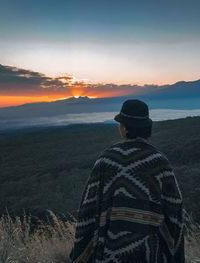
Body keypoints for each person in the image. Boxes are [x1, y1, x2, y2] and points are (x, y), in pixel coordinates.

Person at [70, 99, 184, 263]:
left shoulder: (106, 160)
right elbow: (174, 209)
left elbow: (88, 209)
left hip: (108, 253)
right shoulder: (159, 162)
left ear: (124, 127)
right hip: (150, 254)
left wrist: (81, 253)